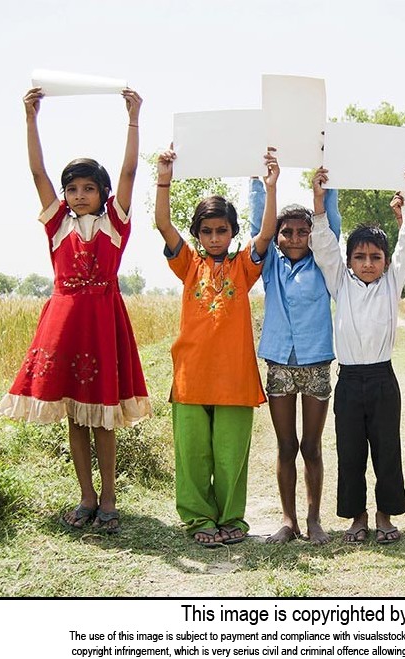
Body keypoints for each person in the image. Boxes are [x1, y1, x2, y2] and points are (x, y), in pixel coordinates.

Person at [0, 87, 151, 535]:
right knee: (74, 415)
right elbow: (35, 171)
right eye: (73, 188)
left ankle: (108, 498)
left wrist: (133, 118)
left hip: (103, 321)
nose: (80, 195)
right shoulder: (57, 224)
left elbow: (129, 169)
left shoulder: (115, 222)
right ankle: (85, 495)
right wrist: (31, 118)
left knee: (103, 414)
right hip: (64, 323)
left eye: (88, 188)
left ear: (103, 193)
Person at [154, 146, 278, 547]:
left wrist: (271, 188)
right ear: (197, 235)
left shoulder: (244, 267)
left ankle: (230, 520)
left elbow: (267, 233)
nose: (213, 237)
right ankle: (199, 520)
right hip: (190, 377)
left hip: (235, 379)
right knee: (193, 457)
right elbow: (161, 222)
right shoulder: (188, 264)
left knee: (229, 459)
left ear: (232, 232)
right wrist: (164, 178)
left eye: (221, 230)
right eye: (206, 231)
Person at [309, 167, 405, 545]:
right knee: (351, 451)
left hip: (382, 380)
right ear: (350, 260)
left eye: (376, 256)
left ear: (386, 262)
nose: (369, 263)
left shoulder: (391, 283)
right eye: (360, 257)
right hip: (350, 381)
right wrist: (319, 199)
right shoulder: (340, 282)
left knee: (387, 449)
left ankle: (384, 516)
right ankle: (357, 518)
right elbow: (323, 243)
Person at [247, 164, 342, 545]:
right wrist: (259, 179)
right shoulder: (271, 263)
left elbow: (330, 223)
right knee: (286, 445)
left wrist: (327, 181)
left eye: (303, 230)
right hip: (279, 364)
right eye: (288, 232)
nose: (296, 237)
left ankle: (314, 519)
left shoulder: (323, 263)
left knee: (311, 446)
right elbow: (260, 222)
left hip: (316, 361)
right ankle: (288, 521)